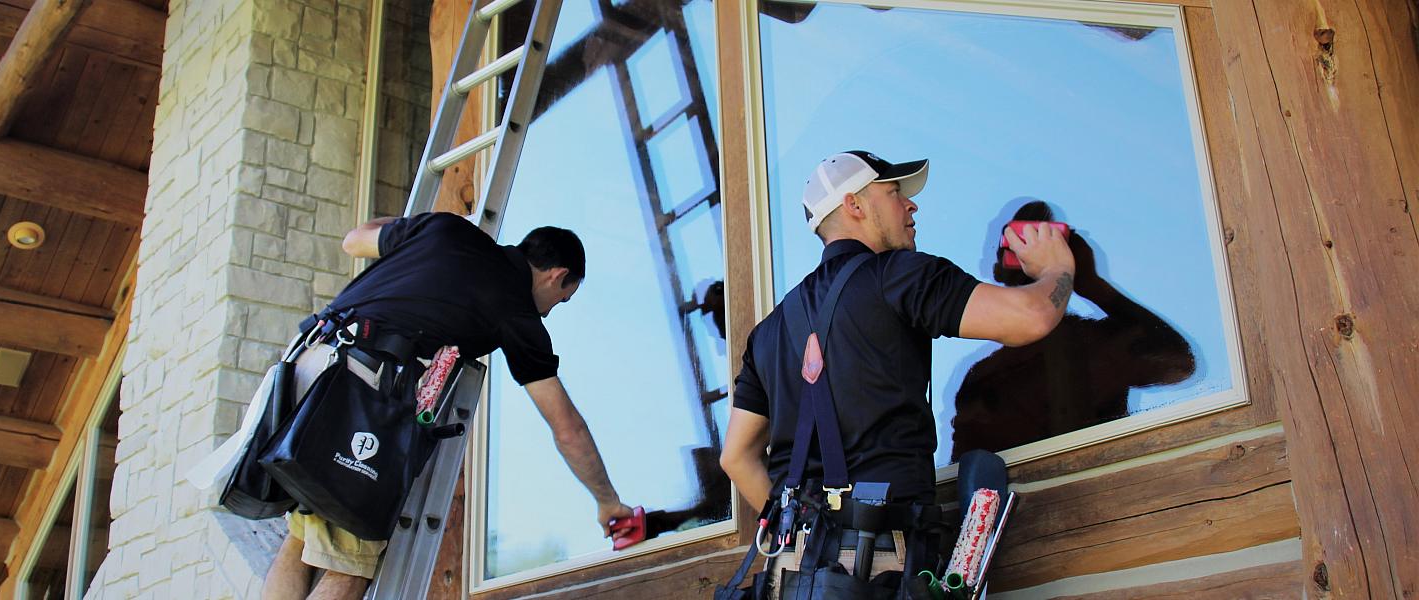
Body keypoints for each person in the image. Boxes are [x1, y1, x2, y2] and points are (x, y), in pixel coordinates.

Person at [718, 150, 1075, 591]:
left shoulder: (769, 332)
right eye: (894, 193)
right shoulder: (900, 276)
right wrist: (1058, 268)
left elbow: (735, 456)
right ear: (854, 205)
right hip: (876, 565)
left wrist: (801, 530)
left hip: (787, 575)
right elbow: (1033, 317)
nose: (911, 205)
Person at [263, 212, 633, 600]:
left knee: (300, 539)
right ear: (557, 275)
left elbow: (355, 239)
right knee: (350, 562)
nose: (549, 310)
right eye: (561, 300)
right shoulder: (516, 310)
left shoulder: (445, 229)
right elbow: (567, 428)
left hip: (307, 374)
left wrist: (415, 224)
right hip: (362, 400)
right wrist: (608, 501)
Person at [950, 200, 1194, 459]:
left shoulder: (1095, 343)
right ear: (1001, 264)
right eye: (1022, 240)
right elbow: (965, 470)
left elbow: (1177, 364)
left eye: (1051, 240)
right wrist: (1083, 282)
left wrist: (1091, 284)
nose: (1034, 249)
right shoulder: (986, 376)